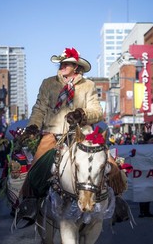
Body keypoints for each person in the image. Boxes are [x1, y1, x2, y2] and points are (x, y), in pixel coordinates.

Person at [19, 47, 125, 217]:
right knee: (37, 167)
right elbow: (39, 108)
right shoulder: (48, 83)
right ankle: (30, 203)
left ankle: (118, 201)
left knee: (111, 166)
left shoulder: (88, 85)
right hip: (53, 134)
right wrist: (33, 126)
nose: (62, 66)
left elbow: (97, 112)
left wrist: (82, 114)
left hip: (82, 133)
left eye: (66, 63)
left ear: (76, 66)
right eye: (61, 63)